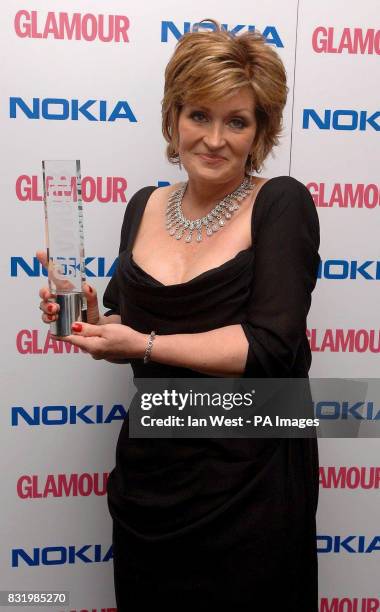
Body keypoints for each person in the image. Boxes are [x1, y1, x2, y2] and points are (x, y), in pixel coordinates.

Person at [38, 20, 320, 611]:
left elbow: (269, 348)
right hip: (151, 479)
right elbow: (126, 315)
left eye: (236, 121)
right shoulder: (144, 204)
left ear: (259, 132)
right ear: (173, 118)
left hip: (249, 489)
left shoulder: (281, 203)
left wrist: (141, 344)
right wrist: (92, 314)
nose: (214, 139)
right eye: (199, 115)